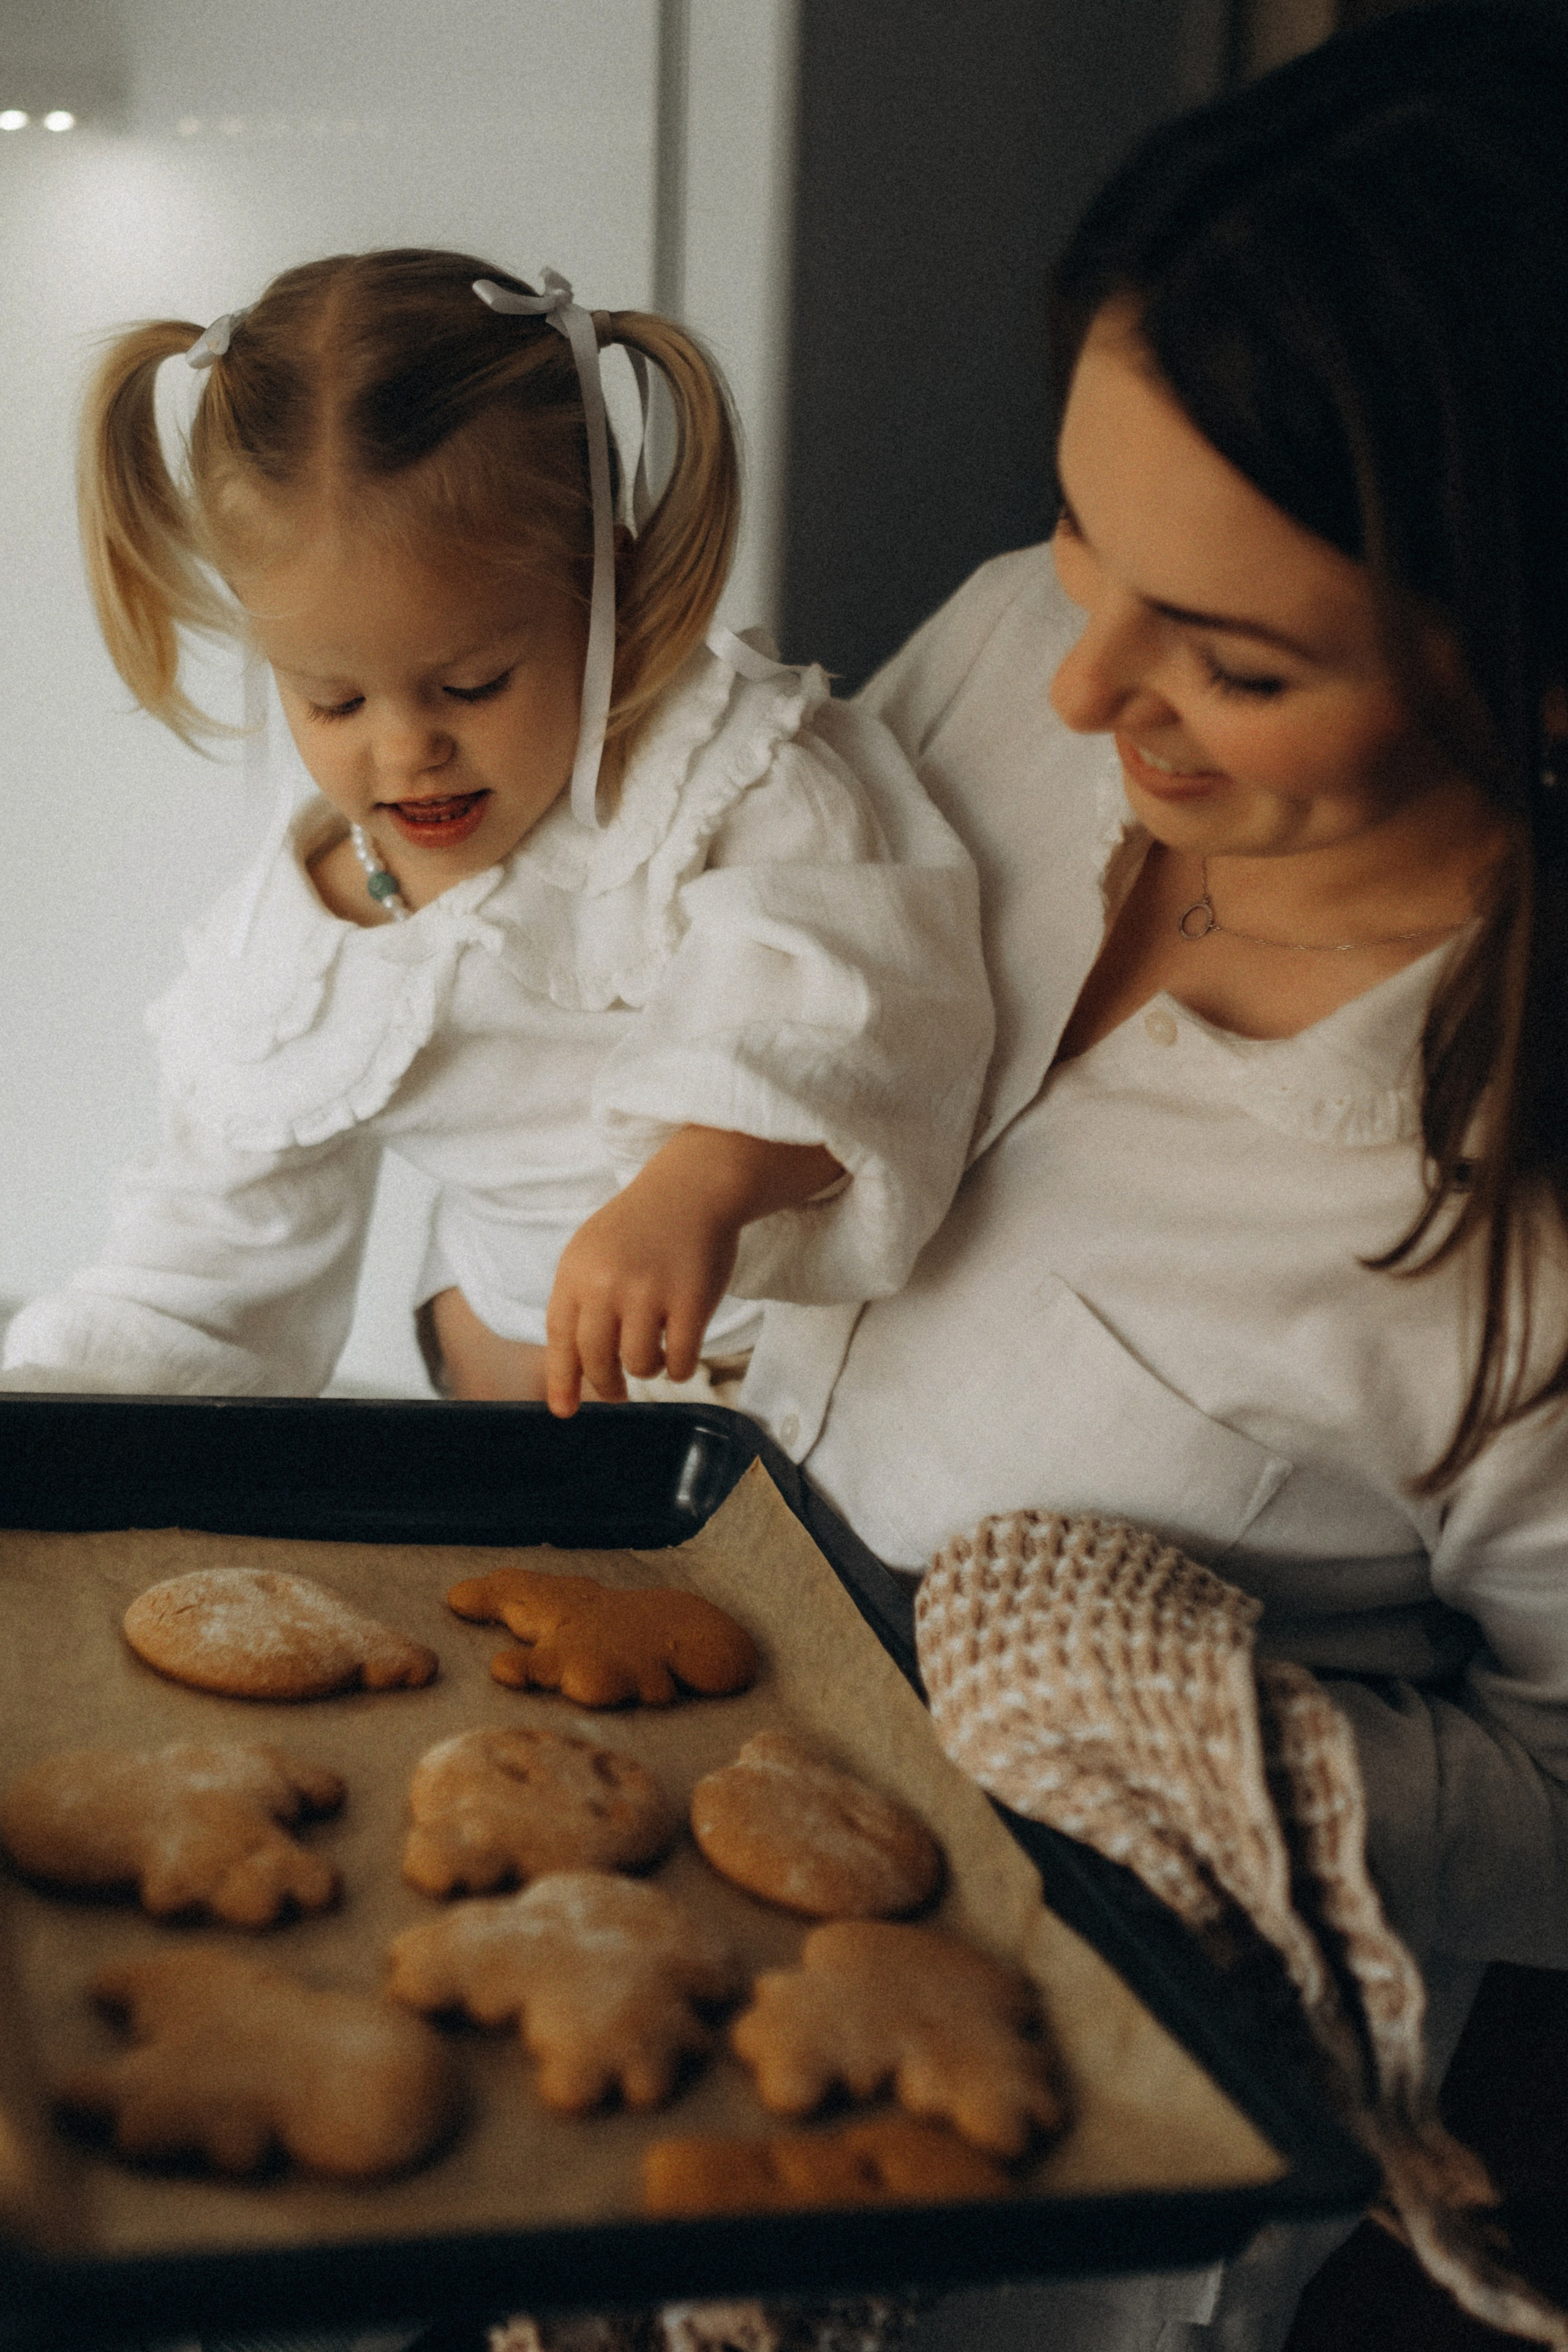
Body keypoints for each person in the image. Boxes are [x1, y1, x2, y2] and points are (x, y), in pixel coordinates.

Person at [737, 6, 1568, 2346]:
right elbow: (760, 984)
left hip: (1048, 2175)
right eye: (1081, 527)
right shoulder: (1024, 641)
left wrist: (1250, 1746)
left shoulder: (1526, 1218)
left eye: (1230, 659)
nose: (1080, 686)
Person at [0, 249, 990, 1411]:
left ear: (607, 583)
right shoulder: (300, 945)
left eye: (472, 685)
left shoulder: (735, 790)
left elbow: (868, 1034)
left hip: (798, 1378)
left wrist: (702, 1185)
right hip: (529, 1406)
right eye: (332, 700)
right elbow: (203, 1262)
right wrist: (62, 1414)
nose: (405, 749)